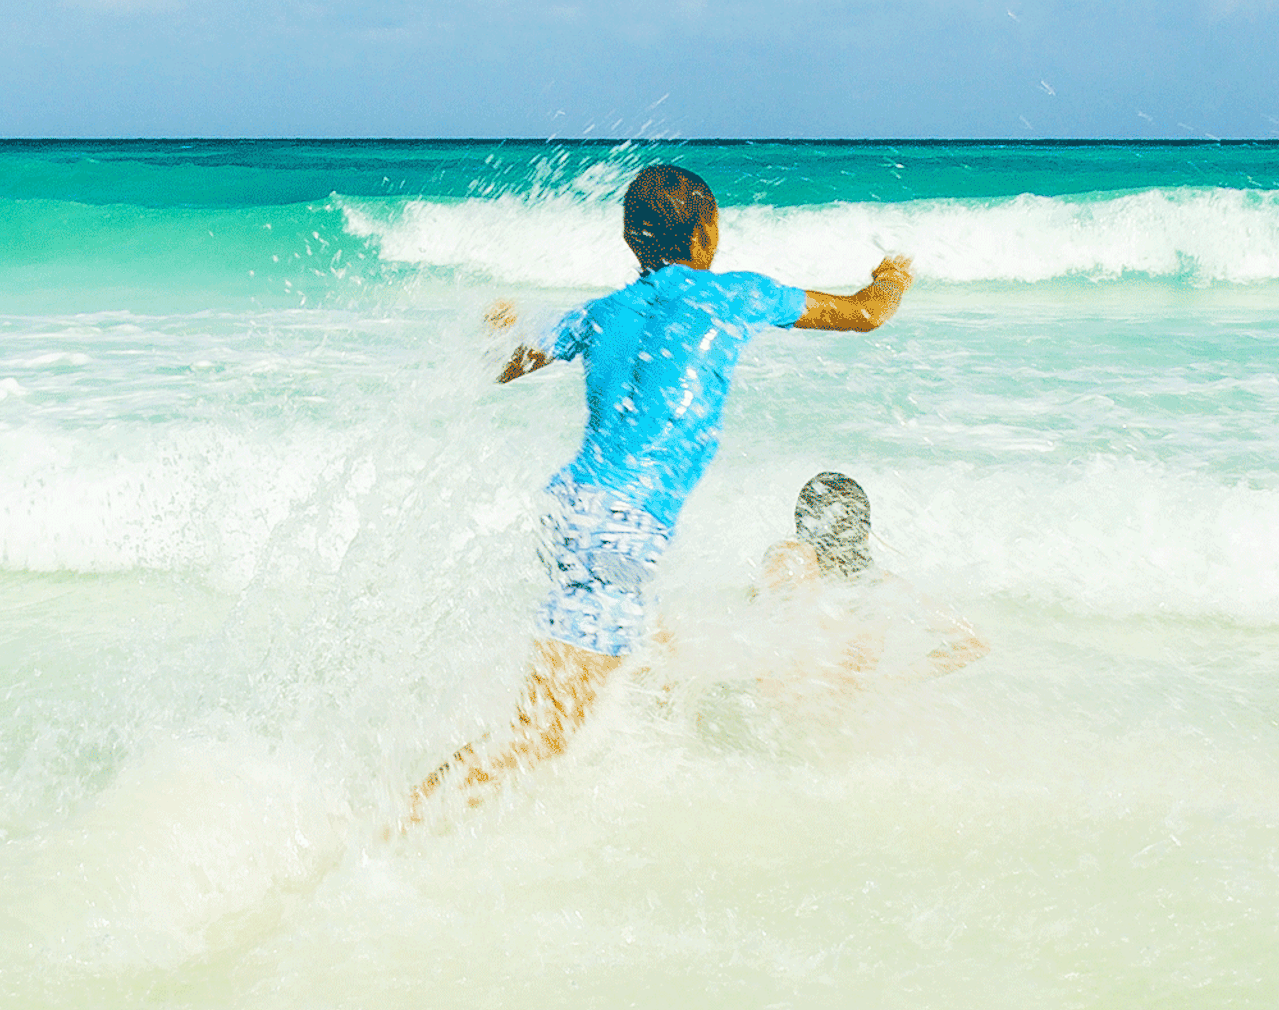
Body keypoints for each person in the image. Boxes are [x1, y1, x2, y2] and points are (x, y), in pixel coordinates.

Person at [412, 163, 912, 811]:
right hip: (618, 526)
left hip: (576, 513)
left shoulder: (601, 313)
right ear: (708, 235)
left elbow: (499, 366)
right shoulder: (735, 295)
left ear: (631, 241)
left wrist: (500, 329)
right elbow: (866, 315)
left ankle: (640, 786)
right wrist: (892, 276)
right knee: (543, 734)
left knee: (654, 656)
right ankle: (395, 832)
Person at [754, 470, 986, 698]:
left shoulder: (789, 558)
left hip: (785, 713)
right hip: (848, 717)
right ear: (864, 531)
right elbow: (972, 643)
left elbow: (762, 633)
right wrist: (888, 683)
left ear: (803, 525)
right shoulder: (884, 586)